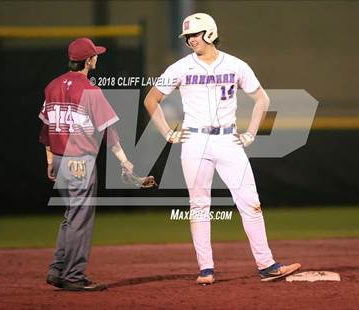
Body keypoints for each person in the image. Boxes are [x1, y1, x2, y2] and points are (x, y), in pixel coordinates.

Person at [144, 13, 301, 284]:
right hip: (194, 141)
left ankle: (266, 265)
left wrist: (251, 132)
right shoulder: (181, 68)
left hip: (228, 140)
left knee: (251, 203)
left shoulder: (236, 65)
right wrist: (167, 132)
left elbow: (262, 99)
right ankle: (205, 269)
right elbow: (151, 99)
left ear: (210, 33)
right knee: (200, 205)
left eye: (195, 34)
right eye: (188, 36)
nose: (191, 40)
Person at [39, 37, 133, 291]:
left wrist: (50, 160)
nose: (97, 58)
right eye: (95, 55)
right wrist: (124, 161)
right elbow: (108, 131)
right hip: (79, 162)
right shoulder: (90, 90)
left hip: (59, 160)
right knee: (80, 219)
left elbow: (46, 129)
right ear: (88, 60)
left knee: (71, 216)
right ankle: (73, 276)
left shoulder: (52, 86)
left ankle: (57, 269)